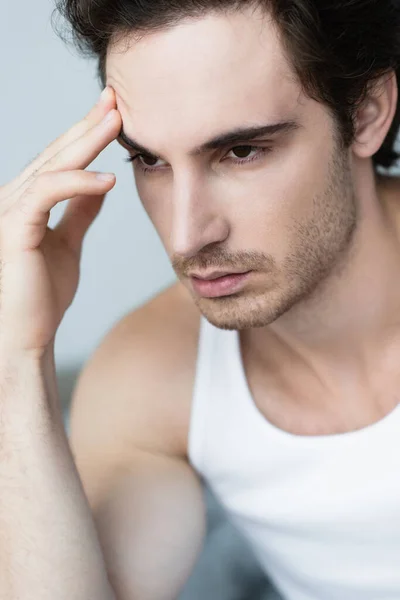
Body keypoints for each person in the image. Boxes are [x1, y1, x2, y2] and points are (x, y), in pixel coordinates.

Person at [1, 0, 400, 598]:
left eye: (241, 152)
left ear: (366, 113)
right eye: (150, 160)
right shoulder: (154, 372)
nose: (187, 235)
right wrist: (16, 356)